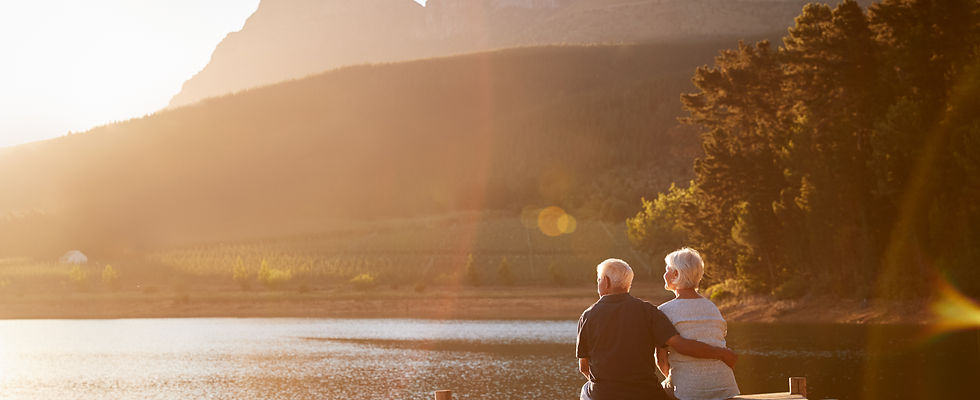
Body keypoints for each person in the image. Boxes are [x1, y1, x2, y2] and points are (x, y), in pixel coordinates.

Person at [577, 258, 737, 400]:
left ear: (605, 281)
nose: (598, 283)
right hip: (646, 393)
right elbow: (678, 344)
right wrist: (721, 353)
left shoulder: (587, 316)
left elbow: (584, 367)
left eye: (598, 280)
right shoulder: (649, 311)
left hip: (604, 394)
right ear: (628, 284)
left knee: (586, 389)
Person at [656, 248, 740, 400]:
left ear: (676, 274)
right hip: (724, 387)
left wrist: (675, 378)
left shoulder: (664, 311)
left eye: (667, 269)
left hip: (688, 391)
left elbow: (661, 360)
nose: (664, 274)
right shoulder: (712, 307)